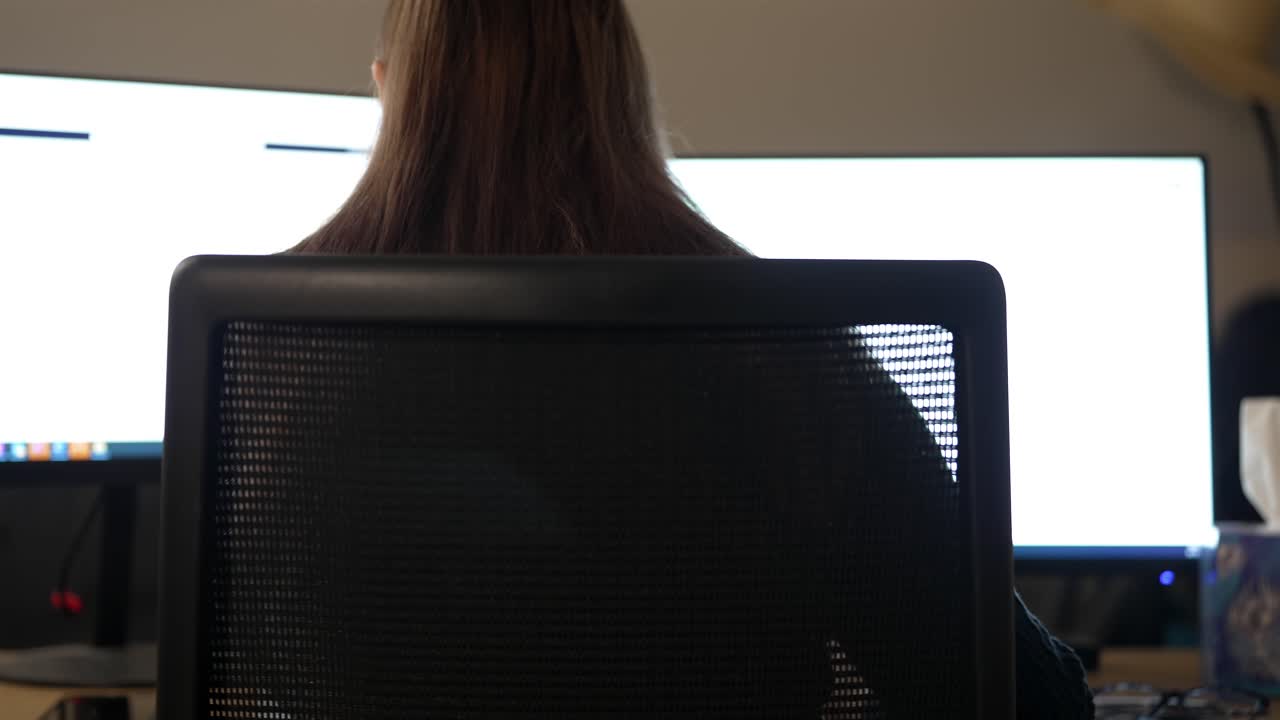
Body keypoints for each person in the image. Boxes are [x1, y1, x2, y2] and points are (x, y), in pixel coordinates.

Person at [292, 1, 1094, 717]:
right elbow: (1026, 704)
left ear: (387, 88)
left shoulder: (270, 347)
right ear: (622, 99)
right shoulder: (784, 352)